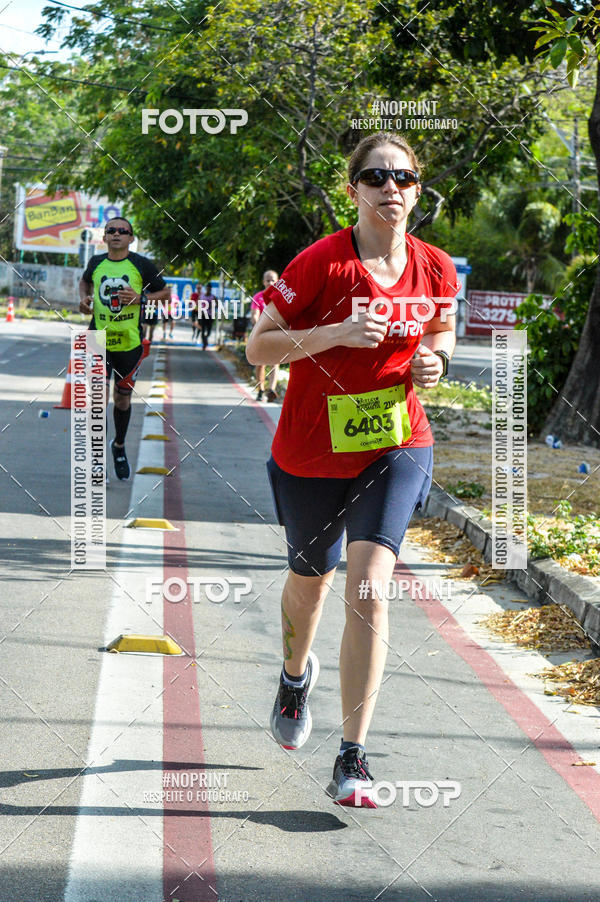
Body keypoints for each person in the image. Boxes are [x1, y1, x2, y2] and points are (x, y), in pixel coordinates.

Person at [246, 131, 458, 808]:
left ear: (418, 190)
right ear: (354, 190)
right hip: (310, 450)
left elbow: (441, 328)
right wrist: (334, 333)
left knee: (369, 588)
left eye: (404, 177)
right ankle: (292, 674)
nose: (390, 188)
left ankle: (353, 756)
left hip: (396, 443)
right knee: (309, 585)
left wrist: (438, 361)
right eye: (376, 176)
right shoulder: (319, 265)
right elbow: (259, 347)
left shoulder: (435, 267)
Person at [79, 217, 170, 480]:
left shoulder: (141, 264)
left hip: (130, 343)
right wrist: (83, 298)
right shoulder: (96, 262)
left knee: (122, 399)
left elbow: (165, 293)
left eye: (123, 231)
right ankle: (97, 460)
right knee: (97, 401)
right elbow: (85, 282)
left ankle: (118, 446)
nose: (116, 234)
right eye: (111, 230)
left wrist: (142, 298)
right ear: (104, 237)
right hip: (98, 339)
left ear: (131, 238)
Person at [250, 270, 279, 401]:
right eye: (268, 280)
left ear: (278, 281)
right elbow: (254, 315)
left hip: (277, 334)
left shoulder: (281, 297)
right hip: (262, 334)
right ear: (263, 282)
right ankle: (261, 389)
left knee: (275, 362)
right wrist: (259, 329)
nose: (270, 283)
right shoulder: (258, 297)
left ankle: (272, 389)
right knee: (260, 364)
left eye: (273, 280)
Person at [198, 284, 216, 349]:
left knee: (209, 331)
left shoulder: (213, 297)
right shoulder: (202, 296)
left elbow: (216, 305)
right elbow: (198, 304)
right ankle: (204, 343)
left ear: (211, 289)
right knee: (202, 330)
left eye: (209, 288)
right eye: (207, 288)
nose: (208, 289)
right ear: (206, 288)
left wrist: (212, 305)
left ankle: (206, 338)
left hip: (210, 316)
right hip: (203, 315)